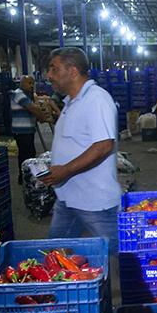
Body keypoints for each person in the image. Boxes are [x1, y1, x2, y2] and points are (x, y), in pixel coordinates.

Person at [39, 47, 120, 254]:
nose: (49, 76)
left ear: (73, 71)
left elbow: (103, 146)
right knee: (55, 256)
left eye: (54, 69)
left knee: (122, 255)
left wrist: (65, 170)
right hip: (68, 198)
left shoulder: (96, 99)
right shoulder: (71, 102)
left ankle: (146, 281)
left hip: (94, 201)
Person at [10, 75, 53, 183]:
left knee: (30, 153)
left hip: (28, 130)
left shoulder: (27, 95)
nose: (31, 86)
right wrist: (45, 118)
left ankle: (27, 176)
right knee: (26, 155)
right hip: (21, 131)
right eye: (29, 83)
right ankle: (24, 178)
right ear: (22, 83)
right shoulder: (18, 94)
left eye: (33, 83)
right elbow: (32, 108)